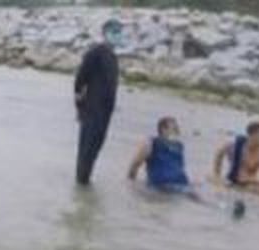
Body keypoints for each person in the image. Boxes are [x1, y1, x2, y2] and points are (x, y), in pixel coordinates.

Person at [74, 19, 123, 185]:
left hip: (105, 113)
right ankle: (81, 183)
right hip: (91, 110)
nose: (118, 35)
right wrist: (80, 108)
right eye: (114, 32)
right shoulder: (95, 53)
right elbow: (80, 81)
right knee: (87, 149)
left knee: (96, 147)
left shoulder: (112, 56)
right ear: (105, 33)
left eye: (120, 32)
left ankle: (85, 182)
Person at [127, 116, 196, 195]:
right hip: (160, 186)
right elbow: (135, 164)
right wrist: (131, 184)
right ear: (163, 129)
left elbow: (179, 168)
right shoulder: (151, 142)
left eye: (177, 128)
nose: (177, 131)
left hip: (182, 185)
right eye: (174, 128)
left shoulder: (179, 146)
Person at [213, 121, 259, 196]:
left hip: (248, 184)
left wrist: (249, 180)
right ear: (251, 135)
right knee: (214, 180)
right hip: (231, 180)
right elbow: (219, 153)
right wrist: (217, 173)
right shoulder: (235, 146)